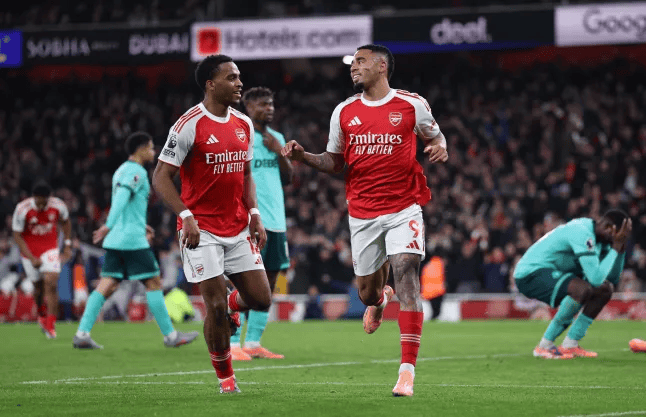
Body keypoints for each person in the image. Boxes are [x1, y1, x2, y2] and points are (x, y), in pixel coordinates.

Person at [281, 44, 448, 397]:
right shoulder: (344, 111)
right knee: (368, 292)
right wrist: (304, 156)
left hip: (404, 208)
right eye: (353, 62)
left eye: (360, 61)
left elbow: (436, 135)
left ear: (381, 66)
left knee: (407, 274)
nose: (354, 67)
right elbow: (334, 162)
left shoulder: (411, 104)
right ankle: (380, 300)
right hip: (362, 214)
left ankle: (406, 372)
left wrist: (440, 147)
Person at [152, 55, 272, 394]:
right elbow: (160, 177)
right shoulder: (188, 125)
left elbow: (246, 174)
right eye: (231, 78)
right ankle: (226, 379)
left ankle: (232, 306)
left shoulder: (243, 124)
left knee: (261, 299)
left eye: (239, 77)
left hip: (237, 226)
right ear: (210, 84)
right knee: (215, 306)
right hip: (200, 230)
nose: (239, 83)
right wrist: (185, 215)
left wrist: (254, 213)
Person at [73, 132, 199, 350]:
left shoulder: (121, 169)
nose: (153, 152)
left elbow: (127, 205)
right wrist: (108, 225)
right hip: (131, 241)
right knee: (153, 282)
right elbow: (122, 197)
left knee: (107, 284)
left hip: (119, 238)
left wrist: (139, 225)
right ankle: (171, 336)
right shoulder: (136, 172)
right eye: (150, 148)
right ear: (140, 149)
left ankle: (82, 333)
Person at [513, 210, 631, 359]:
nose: (622, 238)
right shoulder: (582, 231)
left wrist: (620, 249)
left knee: (605, 289)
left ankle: (570, 344)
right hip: (530, 273)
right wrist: (615, 248)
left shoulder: (603, 241)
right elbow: (595, 279)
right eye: (621, 235)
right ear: (609, 228)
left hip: (553, 272)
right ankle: (544, 346)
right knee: (581, 289)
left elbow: (613, 277)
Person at [229, 87, 293, 361]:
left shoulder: (277, 138)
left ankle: (253, 342)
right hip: (250, 221)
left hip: (277, 222)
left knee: (269, 284)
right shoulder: (239, 135)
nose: (269, 109)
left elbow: (288, 178)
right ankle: (232, 342)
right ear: (249, 106)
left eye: (271, 104)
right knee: (245, 282)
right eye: (263, 104)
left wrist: (279, 151)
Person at [12, 181, 73, 339]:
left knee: (51, 284)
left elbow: (66, 222)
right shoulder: (22, 209)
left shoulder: (58, 206)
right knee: (38, 289)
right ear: (34, 197)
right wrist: (31, 258)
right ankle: (41, 312)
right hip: (29, 252)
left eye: (44, 202)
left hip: (50, 249)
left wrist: (67, 245)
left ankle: (51, 325)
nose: (41, 205)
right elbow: (17, 235)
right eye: (39, 202)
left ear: (48, 198)